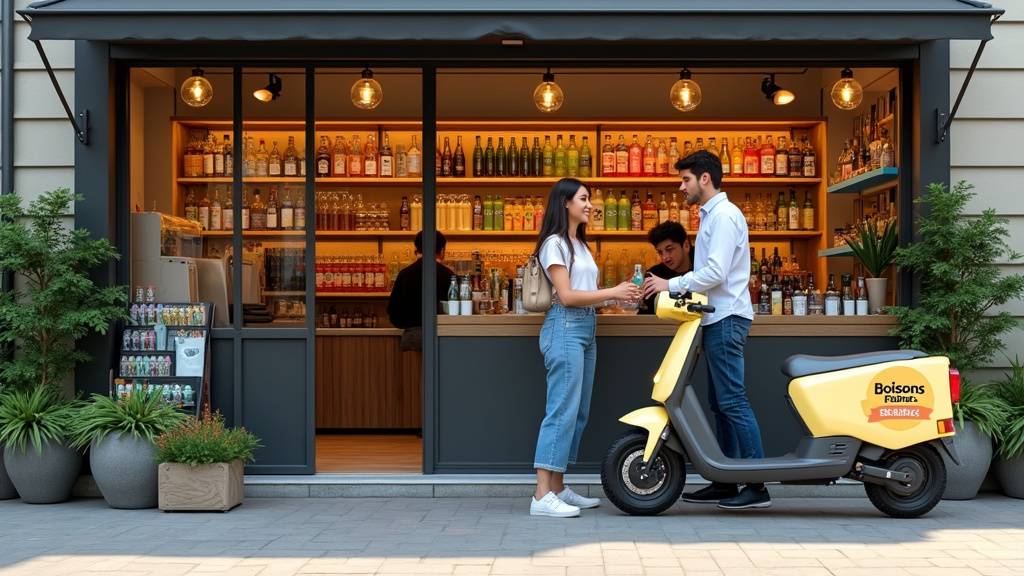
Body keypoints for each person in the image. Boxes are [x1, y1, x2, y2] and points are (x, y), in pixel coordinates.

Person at [642, 150, 770, 510]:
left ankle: (756, 485)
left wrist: (670, 285)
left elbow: (715, 272)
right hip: (717, 319)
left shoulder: (725, 216)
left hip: (727, 319)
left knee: (733, 401)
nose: (681, 187)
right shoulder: (712, 215)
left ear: (704, 178)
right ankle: (727, 481)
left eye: (685, 179)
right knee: (721, 404)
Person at [531, 177, 641, 518]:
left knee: (577, 412)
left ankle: (558, 488)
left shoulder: (579, 244)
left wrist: (617, 298)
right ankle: (540, 495)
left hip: (585, 327)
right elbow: (566, 296)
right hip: (564, 326)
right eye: (583, 198)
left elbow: (586, 294)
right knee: (561, 410)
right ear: (565, 202)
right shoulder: (554, 244)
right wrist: (613, 292)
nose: (590, 205)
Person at [387, 230, 455, 350]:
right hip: (442, 337)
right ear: (442, 251)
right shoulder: (449, 275)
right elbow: (457, 312)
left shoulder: (404, 274)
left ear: (417, 250)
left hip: (412, 339)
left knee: (413, 363)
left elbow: (393, 312)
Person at [641, 221, 694, 315]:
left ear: (686, 245)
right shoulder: (654, 275)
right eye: (660, 252)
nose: (665, 257)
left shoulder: (705, 267)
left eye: (669, 249)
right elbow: (645, 314)